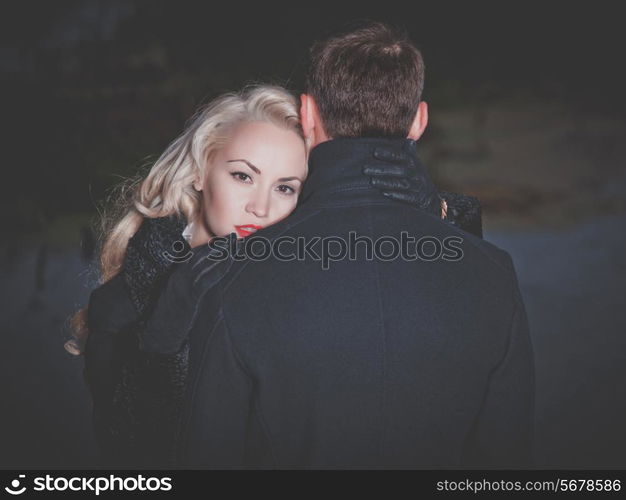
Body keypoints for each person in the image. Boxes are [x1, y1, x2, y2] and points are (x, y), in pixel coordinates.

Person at [137, 22, 534, 469]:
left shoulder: (234, 275)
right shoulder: (495, 272)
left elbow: (203, 454)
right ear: (419, 121)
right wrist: (446, 218)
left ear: (307, 116)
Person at [66, 83, 479, 467]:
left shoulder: (312, 268)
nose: (260, 208)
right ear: (199, 171)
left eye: (286, 187)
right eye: (243, 175)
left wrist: (437, 218)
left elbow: (460, 334)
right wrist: (163, 337)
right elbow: (133, 457)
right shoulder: (126, 301)